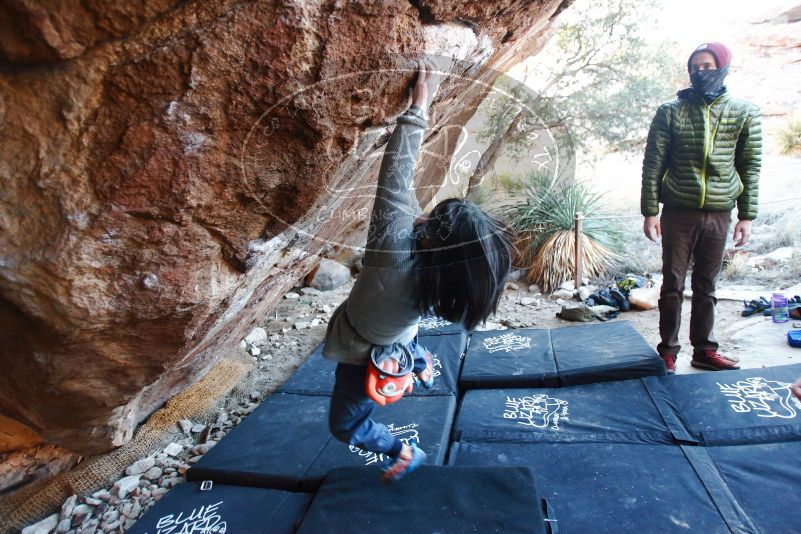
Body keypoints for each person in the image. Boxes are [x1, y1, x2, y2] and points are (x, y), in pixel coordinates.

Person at [322, 60, 514, 481]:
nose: (421, 216)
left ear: (430, 240)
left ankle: (403, 451)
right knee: (406, 339)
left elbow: (396, 175)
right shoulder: (442, 278)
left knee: (346, 424)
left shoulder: (393, 253)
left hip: (363, 352)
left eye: (429, 220)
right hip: (399, 331)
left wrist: (419, 106)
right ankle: (420, 362)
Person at [641, 42, 762, 374]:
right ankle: (667, 352)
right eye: (695, 66)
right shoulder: (671, 111)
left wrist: (746, 215)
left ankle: (704, 351)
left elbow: (750, 166)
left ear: (723, 67)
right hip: (678, 211)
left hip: (720, 213)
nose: (701, 71)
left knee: (707, 284)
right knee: (672, 284)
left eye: (708, 65)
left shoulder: (744, 112)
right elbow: (653, 164)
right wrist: (650, 211)